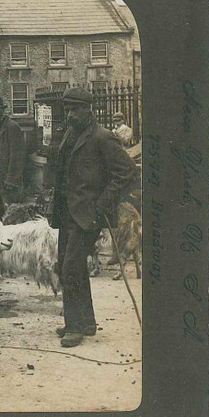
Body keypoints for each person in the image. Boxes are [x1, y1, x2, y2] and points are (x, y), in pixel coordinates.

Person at [48, 87, 135, 348]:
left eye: (74, 110)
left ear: (88, 109)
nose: (70, 114)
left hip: (88, 214)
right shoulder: (71, 134)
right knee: (67, 264)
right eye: (67, 110)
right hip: (67, 212)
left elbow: (126, 171)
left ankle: (75, 327)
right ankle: (86, 321)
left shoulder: (102, 137)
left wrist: (102, 203)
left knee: (71, 268)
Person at [0, 95, 26, 214]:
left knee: (13, 212)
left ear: (2, 110)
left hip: (9, 180)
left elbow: (17, 157)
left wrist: (11, 180)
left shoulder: (12, 127)